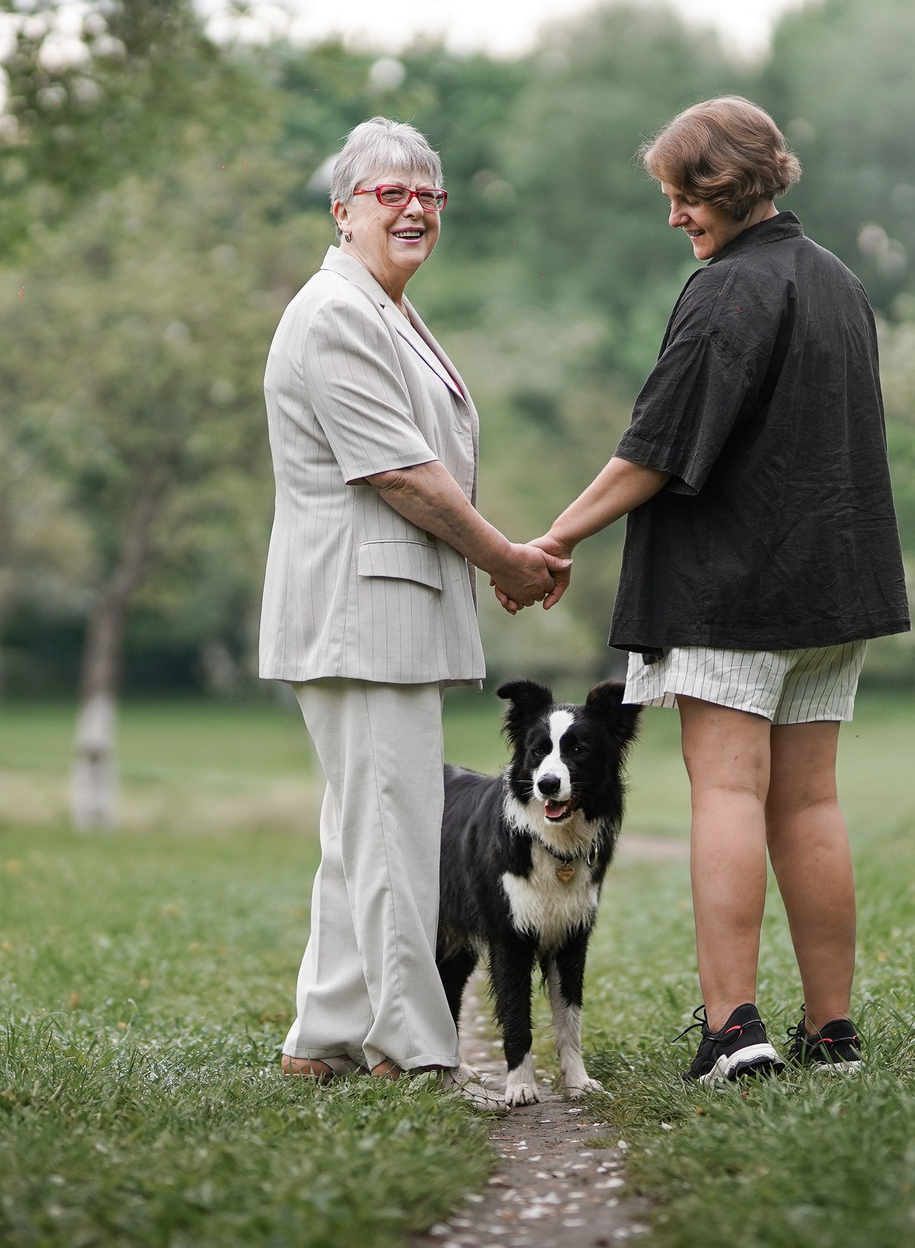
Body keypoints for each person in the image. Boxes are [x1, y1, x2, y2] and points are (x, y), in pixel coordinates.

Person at [527, 96, 909, 1084]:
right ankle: (832, 1032)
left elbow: (650, 453)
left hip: (734, 593)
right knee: (811, 802)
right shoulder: (837, 283)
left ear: (722, 187)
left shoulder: (726, 291)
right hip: (833, 592)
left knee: (729, 793)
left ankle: (733, 1031)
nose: (672, 218)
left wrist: (556, 536)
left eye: (679, 196)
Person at [260, 116, 566, 1103]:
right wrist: (506, 561)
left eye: (430, 195)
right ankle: (418, 1050)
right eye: (391, 193)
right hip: (361, 612)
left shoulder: (381, 307)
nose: (416, 208)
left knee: (362, 828)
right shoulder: (335, 313)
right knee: (393, 835)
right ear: (343, 209)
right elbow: (401, 474)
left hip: (381, 611)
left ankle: (324, 1032)